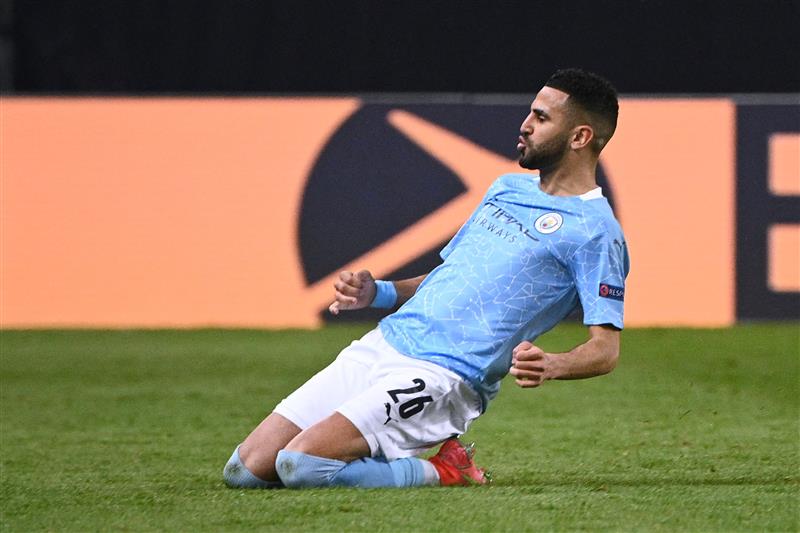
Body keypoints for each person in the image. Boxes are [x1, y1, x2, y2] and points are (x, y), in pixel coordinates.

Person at [223, 68, 629, 489]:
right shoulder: (507, 188)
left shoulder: (595, 232)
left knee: (301, 465)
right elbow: (449, 276)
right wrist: (378, 292)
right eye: (531, 112)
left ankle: (446, 470)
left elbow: (606, 349)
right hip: (386, 342)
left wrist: (553, 364)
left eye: (542, 118)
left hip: (445, 376)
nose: (525, 125)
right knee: (246, 470)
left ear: (580, 137)